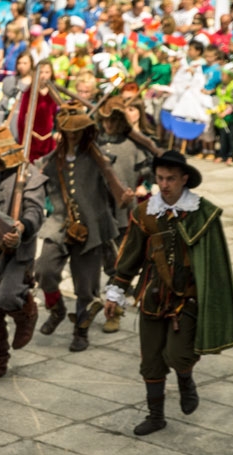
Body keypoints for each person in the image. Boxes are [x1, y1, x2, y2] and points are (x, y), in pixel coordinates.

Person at [104, 150, 233, 436]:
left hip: (187, 299)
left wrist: (211, 302)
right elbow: (130, 256)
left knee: (178, 355)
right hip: (152, 298)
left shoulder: (201, 213)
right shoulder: (145, 212)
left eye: (171, 179)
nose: (164, 184)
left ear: (184, 179)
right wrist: (115, 291)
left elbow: (214, 264)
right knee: (151, 361)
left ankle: (185, 379)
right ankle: (156, 417)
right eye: (160, 178)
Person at [34, 102, 126, 352]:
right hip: (59, 224)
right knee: (44, 270)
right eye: (69, 130)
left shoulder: (99, 158)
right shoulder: (52, 160)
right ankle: (56, 309)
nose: (73, 135)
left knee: (86, 287)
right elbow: (37, 182)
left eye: (77, 130)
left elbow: (115, 188)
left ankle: (81, 331)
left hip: (91, 227)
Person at [0, 125, 47, 384]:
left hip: (19, 250)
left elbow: (35, 212)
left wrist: (21, 228)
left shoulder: (30, 175)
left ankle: (26, 310)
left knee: (6, 297)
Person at [97, 95, 152, 333]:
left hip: (123, 212)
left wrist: (144, 187)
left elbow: (149, 171)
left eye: (114, 120)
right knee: (104, 261)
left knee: (120, 264)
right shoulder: (94, 143)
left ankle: (115, 311)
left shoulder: (133, 145)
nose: (109, 125)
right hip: (97, 212)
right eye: (105, 120)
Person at [17, 59, 58, 161]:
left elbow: (57, 116)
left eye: (47, 72)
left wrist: (57, 133)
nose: (44, 75)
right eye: (41, 72)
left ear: (51, 74)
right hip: (32, 139)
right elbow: (21, 118)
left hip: (49, 140)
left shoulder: (54, 93)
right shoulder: (29, 92)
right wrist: (22, 141)